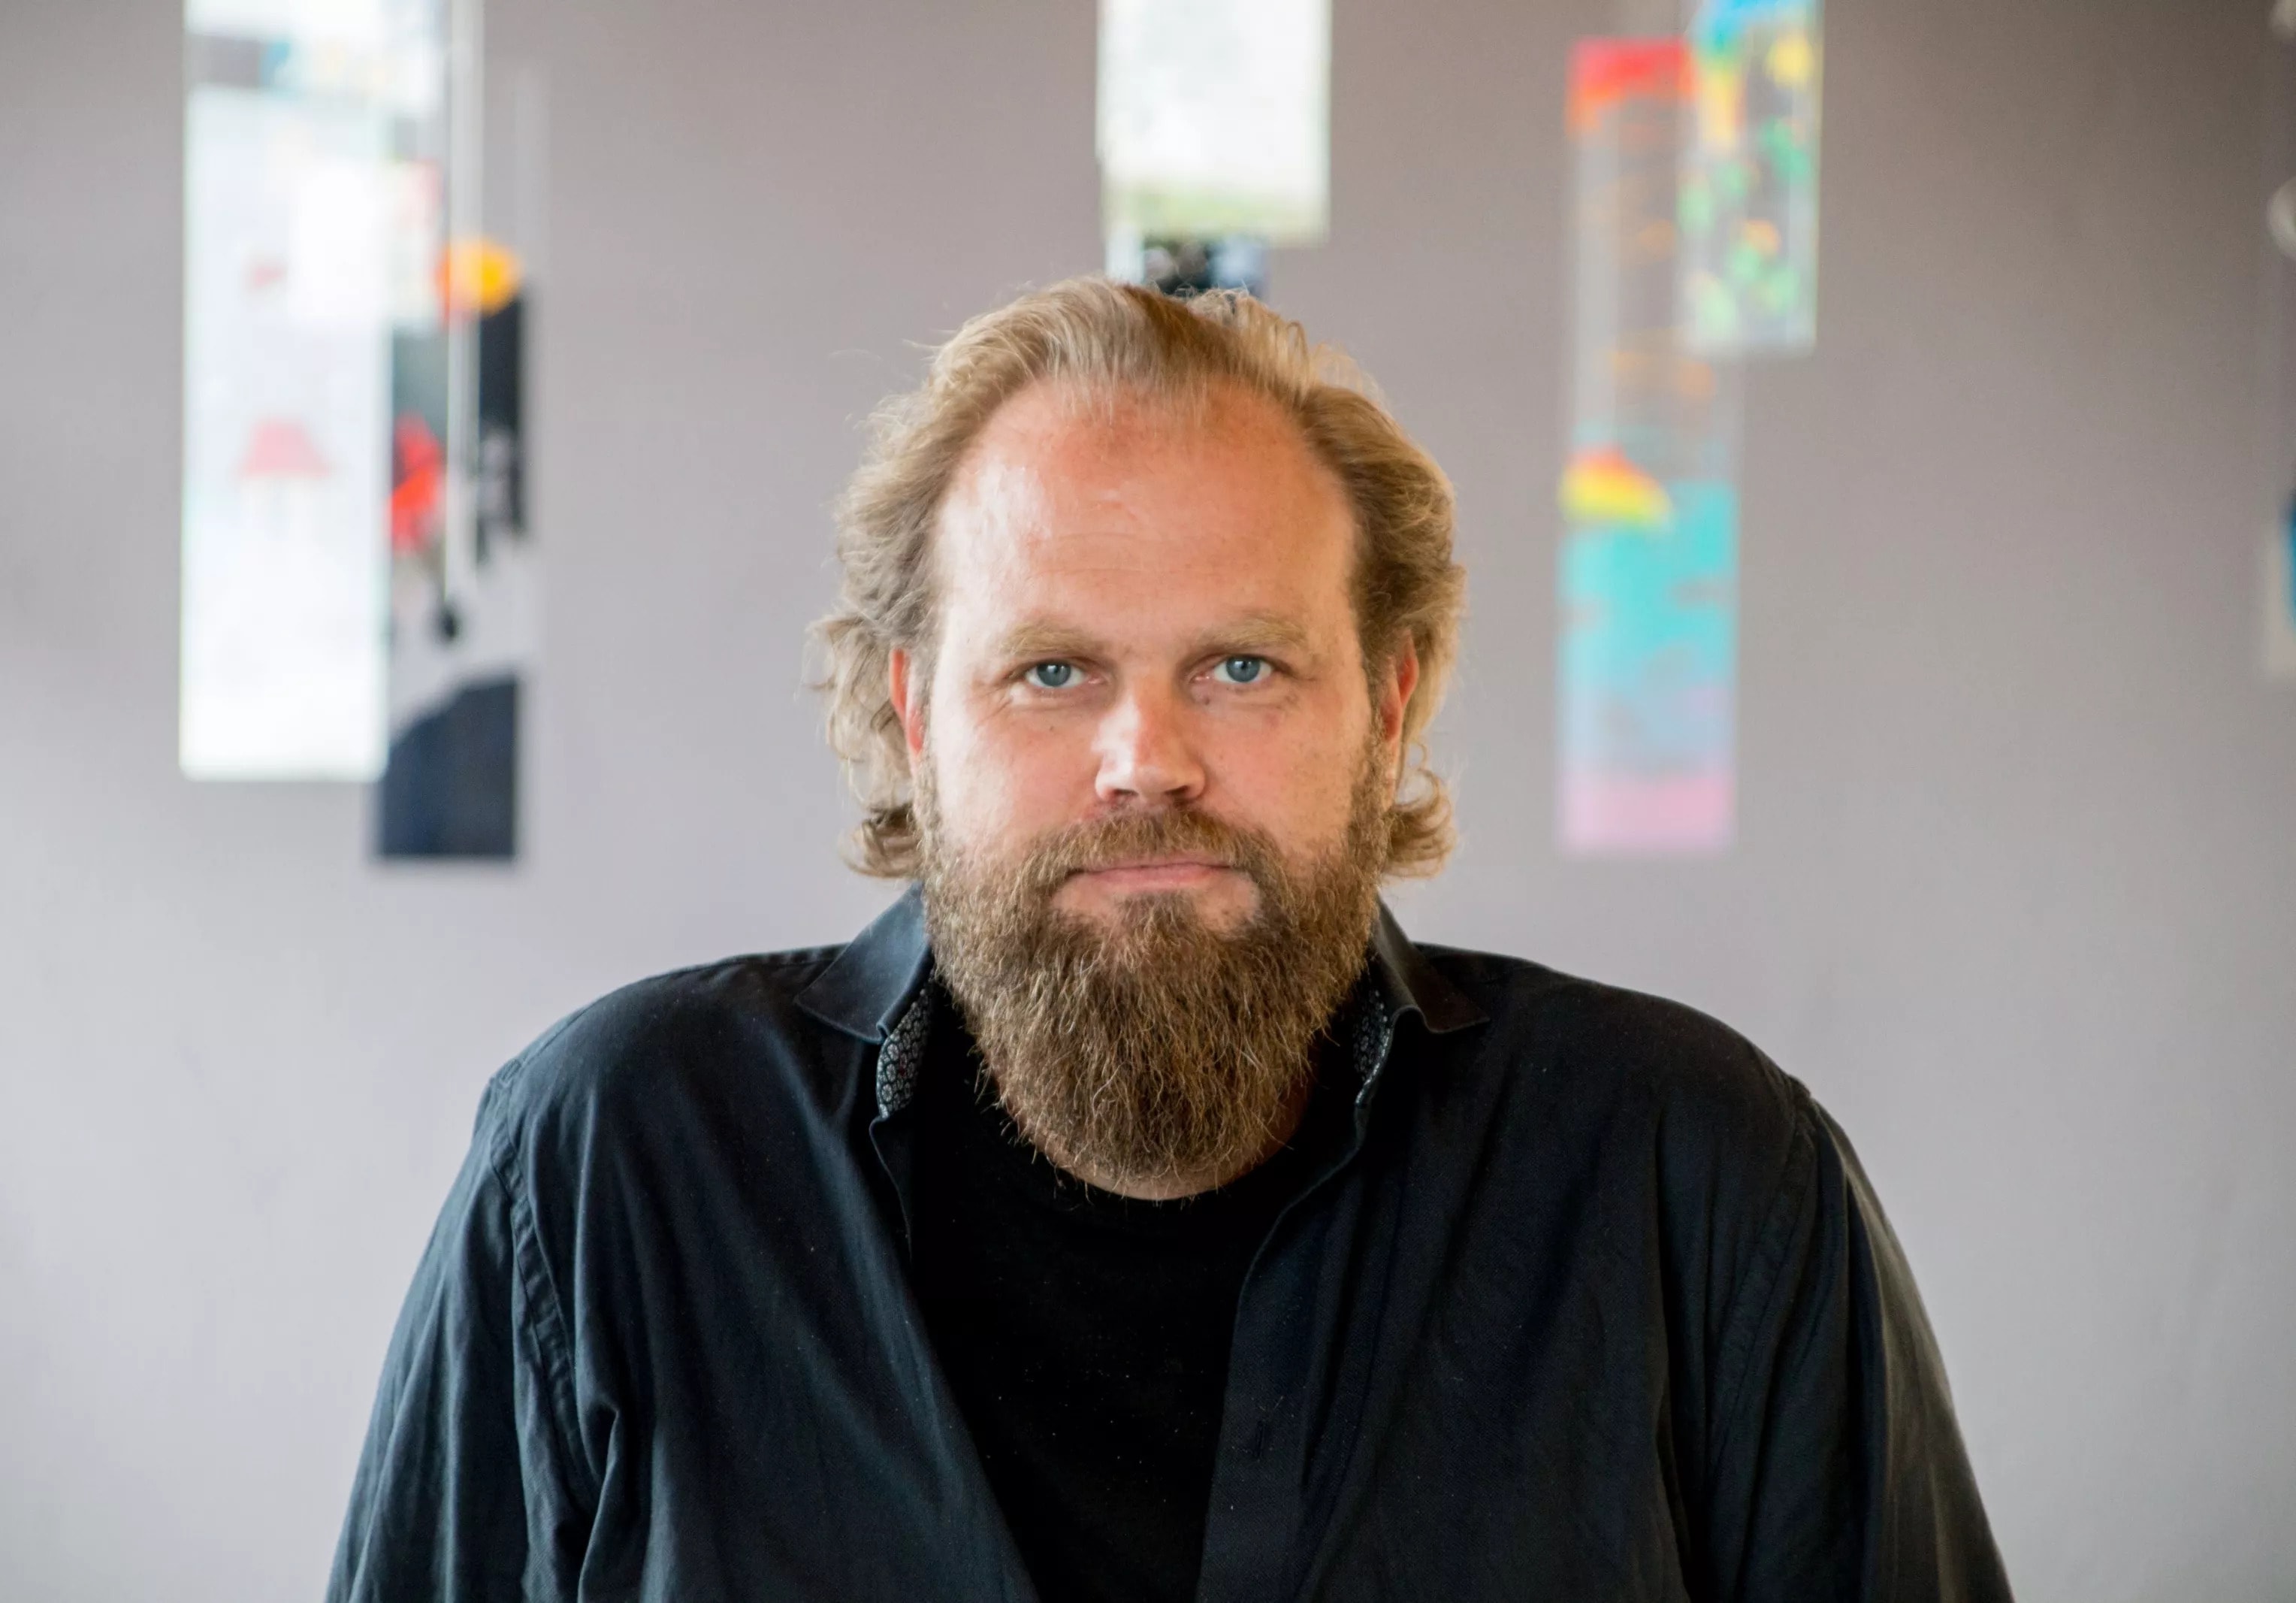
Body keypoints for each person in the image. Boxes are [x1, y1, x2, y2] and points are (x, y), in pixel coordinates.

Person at [325, 279, 2011, 1602]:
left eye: (1242, 667)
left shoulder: (1700, 1176)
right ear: (916, 714)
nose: (1148, 759)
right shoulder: (613, 1164)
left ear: (1390, 703)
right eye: (1052, 669)